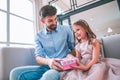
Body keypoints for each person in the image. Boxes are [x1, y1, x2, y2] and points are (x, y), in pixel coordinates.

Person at [10, 5, 75, 80]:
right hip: (47, 65)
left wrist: (69, 57)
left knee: (48, 76)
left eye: (55, 19)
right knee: (15, 73)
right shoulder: (38, 36)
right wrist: (49, 62)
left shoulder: (66, 30)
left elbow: (74, 49)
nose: (54, 22)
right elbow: (38, 58)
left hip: (61, 67)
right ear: (42, 21)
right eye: (50, 20)